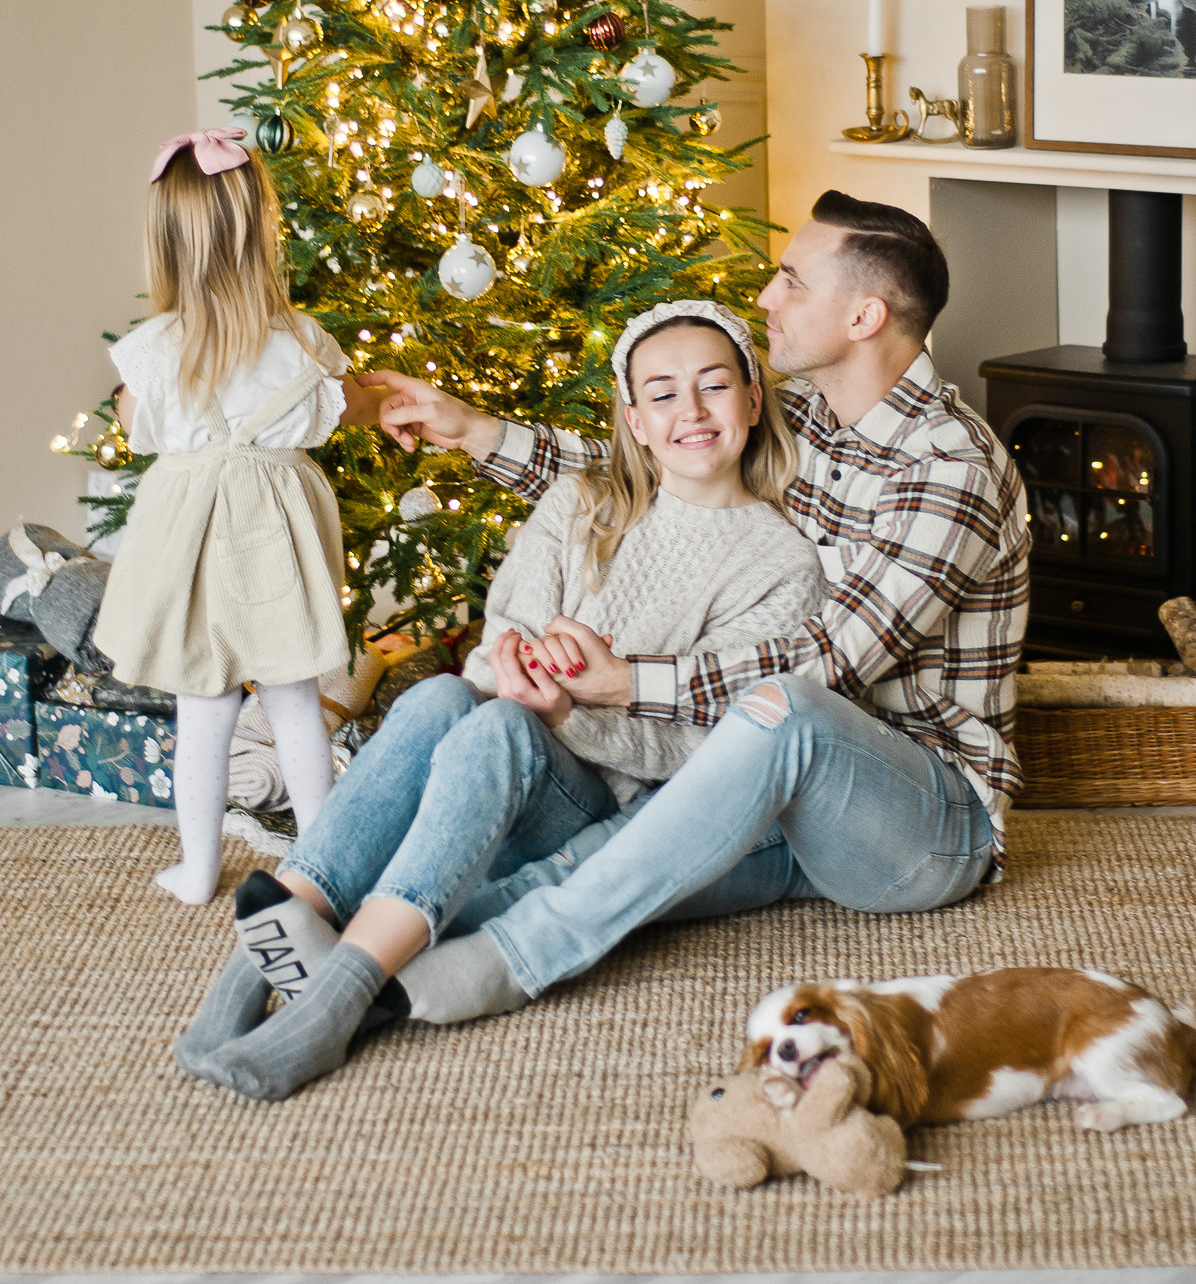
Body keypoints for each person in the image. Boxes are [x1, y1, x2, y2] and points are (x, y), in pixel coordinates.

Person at [352, 189, 1030, 1025]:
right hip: (769, 789)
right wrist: (481, 434)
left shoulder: (950, 468)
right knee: (596, 852)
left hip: (918, 821)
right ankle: (364, 967)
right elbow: (663, 453)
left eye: (790, 282)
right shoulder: (813, 416)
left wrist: (630, 683)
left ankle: (522, 958)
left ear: (864, 316)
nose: (766, 300)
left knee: (790, 708)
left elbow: (832, 665)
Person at [173, 302, 826, 1100]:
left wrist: (564, 713)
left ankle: (334, 1004)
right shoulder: (582, 502)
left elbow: (713, 756)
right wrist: (511, 671)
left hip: (606, 811)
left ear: (754, 403)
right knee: (443, 697)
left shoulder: (784, 564)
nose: (689, 411)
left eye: (714, 386)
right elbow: (499, 639)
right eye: (662, 394)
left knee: (502, 729)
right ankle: (246, 979)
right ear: (634, 421)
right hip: (484, 787)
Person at [93, 127, 389, 905]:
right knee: (294, 703)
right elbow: (348, 411)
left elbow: (137, 426)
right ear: (262, 227)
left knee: (203, 708)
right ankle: (319, 871)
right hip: (272, 545)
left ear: (166, 240)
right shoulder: (301, 340)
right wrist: (379, 401)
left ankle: (197, 870)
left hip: (189, 545)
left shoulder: (154, 350)